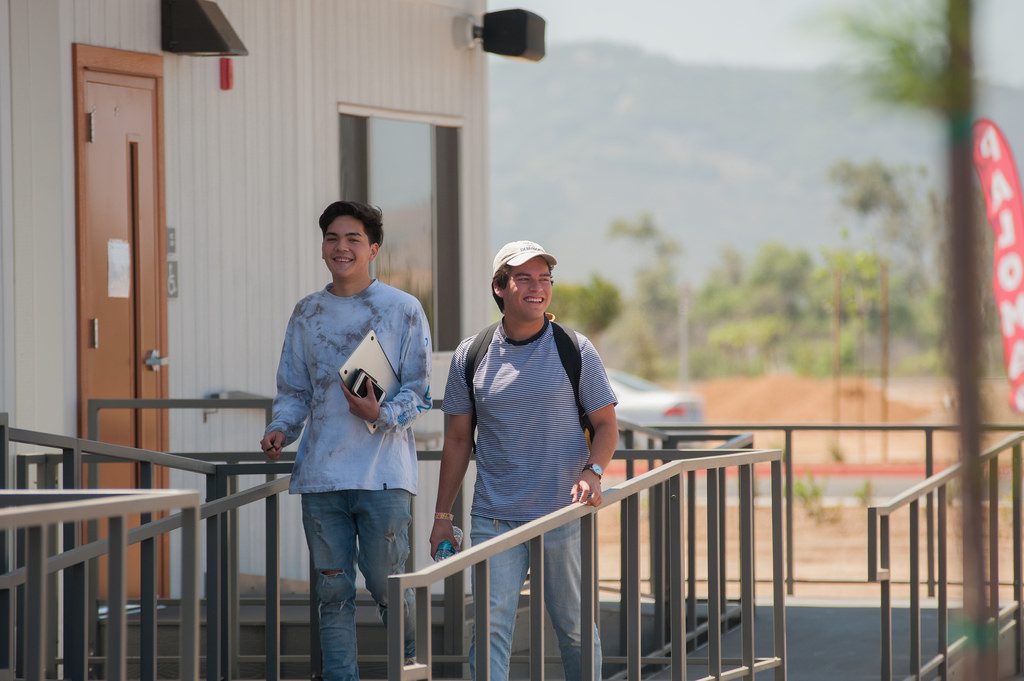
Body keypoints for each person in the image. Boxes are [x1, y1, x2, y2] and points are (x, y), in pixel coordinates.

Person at [429, 240, 618, 681]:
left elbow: (607, 426)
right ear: (500, 287)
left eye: (545, 279)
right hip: (494, 517)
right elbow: (457, 440)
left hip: (562, 515)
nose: (537, 288)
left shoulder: (576, 348)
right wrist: (442, 516)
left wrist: (593, 471)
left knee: (573, 630)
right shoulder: (470, 354)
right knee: (491, 631)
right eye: (525, 279)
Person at [260, 200, 432, 681]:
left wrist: (382, 412)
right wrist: (281, 429)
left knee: (388, 586)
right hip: (320, 479)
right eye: (333, 238)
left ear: (374, 248)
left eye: (354, 239)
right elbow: (294, 390)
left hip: (383, 478)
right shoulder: (307, 311)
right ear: (322, 247)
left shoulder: (403, 309)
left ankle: (411, 669)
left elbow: (421, 394)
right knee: (331, 594)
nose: (342, 248)